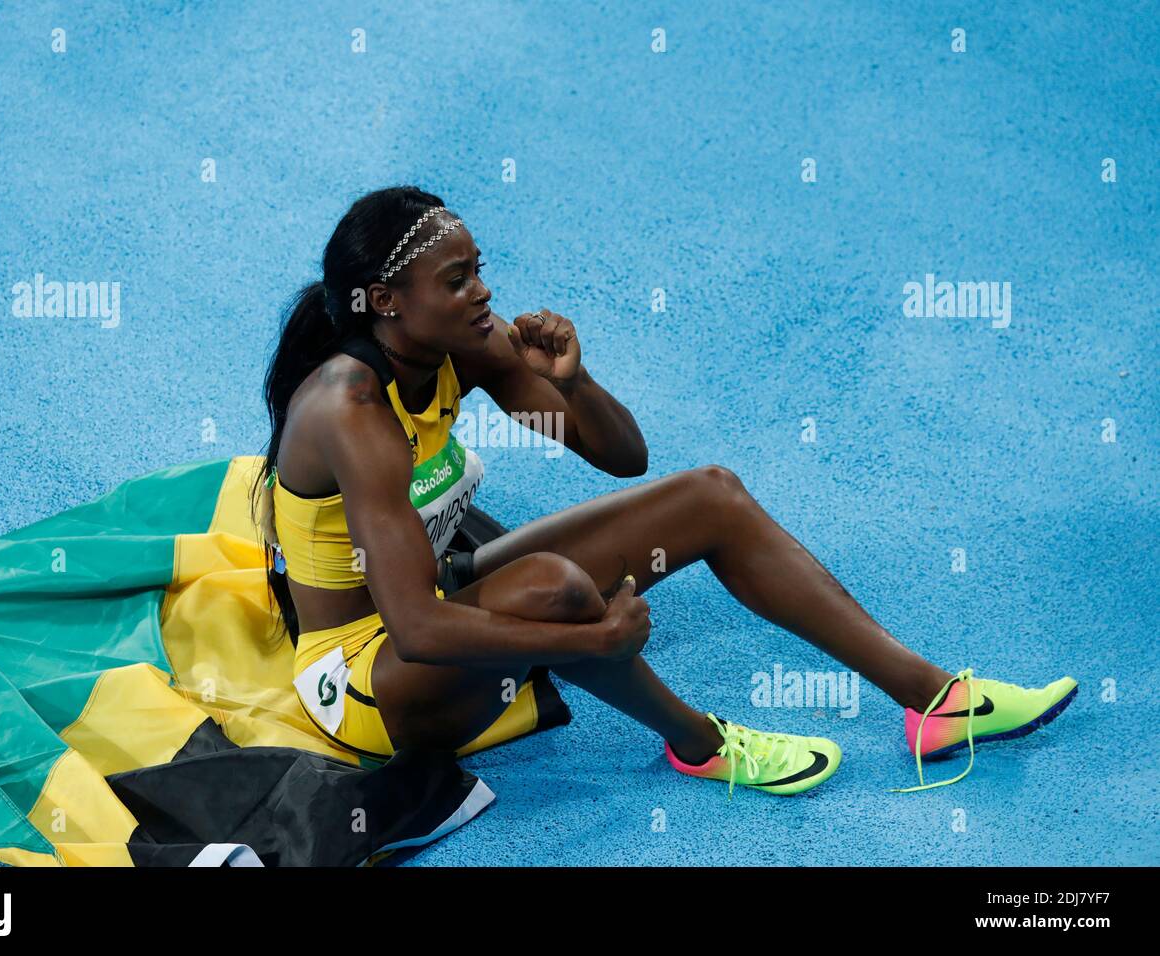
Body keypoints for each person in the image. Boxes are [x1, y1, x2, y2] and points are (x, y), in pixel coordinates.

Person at [251, 185, 1077, 798]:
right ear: (387, 302)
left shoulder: (466, 348)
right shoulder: (349, 410)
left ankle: (934, 701)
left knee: (710, 496)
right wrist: (591, 643)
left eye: (480, 272)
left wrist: (573, 383)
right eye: (457, 280)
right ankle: (701, 743)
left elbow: (623, 458)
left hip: (439, 593)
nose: (483, 293)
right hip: (367, 680)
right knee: (554, 589)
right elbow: (420, 628)